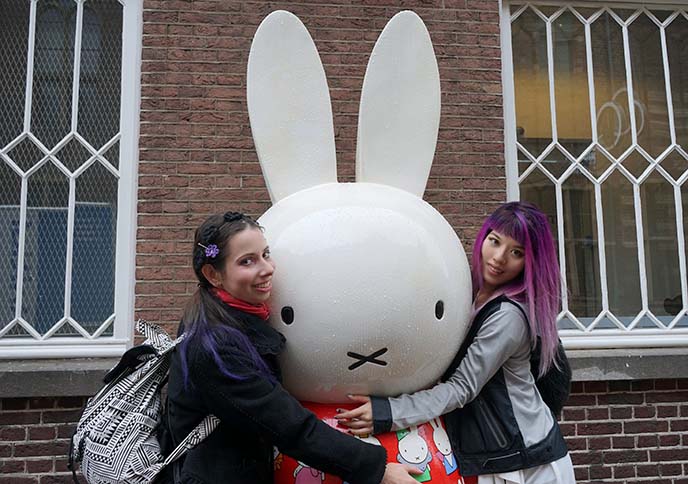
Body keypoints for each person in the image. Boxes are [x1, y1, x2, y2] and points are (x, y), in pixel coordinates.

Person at [166, 211, 420, 484]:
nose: (267, 269)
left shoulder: (227, 318)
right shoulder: (214, 346)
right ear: (212, 274)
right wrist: (377, 469)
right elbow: (287, 425)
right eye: (247, 261)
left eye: (266, 254)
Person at [335, 202, 576, 484]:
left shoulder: (507, 315)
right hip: (495, 457)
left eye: (516, 252)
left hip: (528, 463)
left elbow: (461, 388)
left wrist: (388, 412)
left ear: (530, 262)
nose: (499, 257)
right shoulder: (465, 290)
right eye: (494, 241)